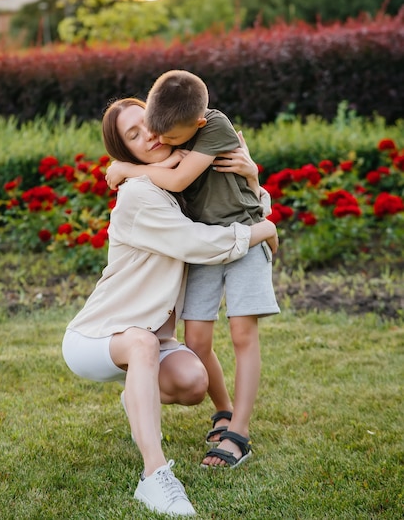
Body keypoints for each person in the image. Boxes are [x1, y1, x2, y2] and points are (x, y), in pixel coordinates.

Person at [62, 97, 279, 517]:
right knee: (142, 343)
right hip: (99, 337)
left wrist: (255, 184)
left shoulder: (178, 179)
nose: (149, 135)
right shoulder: (140, 195)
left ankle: (137, 397)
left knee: (192, 382)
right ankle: (154, 475)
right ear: (125, 151)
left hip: (149, 338)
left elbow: (231, 202)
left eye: (147, 123)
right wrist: (262, 230)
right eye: (133, 136)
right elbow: (196, 242)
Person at [105, 71, 281, 470]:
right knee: (197, 339)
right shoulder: (168, 139)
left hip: (245, 237)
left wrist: (127, 169)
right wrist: (139, 163)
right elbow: (170, 178)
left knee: (242, 332)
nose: (159, 139)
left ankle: (239, 432)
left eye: (165, 135)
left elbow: (185, 178)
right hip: (205, 247)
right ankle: (223, 410)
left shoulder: (212, 125)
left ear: (196, 124)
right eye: (150, 133)